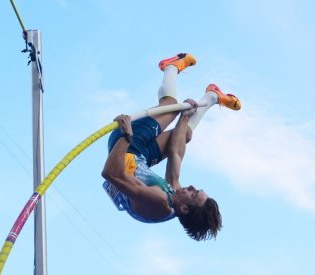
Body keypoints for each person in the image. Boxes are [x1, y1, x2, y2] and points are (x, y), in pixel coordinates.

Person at [101, 53, 240, 241]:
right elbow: (176, 152)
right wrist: (185, 116)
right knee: (185, 134)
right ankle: (212, 96)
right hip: (141, 156)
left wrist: (126, 136)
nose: (191, 187)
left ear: (184, 208)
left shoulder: (159, 203)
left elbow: (111, 173)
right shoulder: (175, 198)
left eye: (194, 193)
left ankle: (170, 67)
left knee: (171, 106)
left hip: (126, 146)